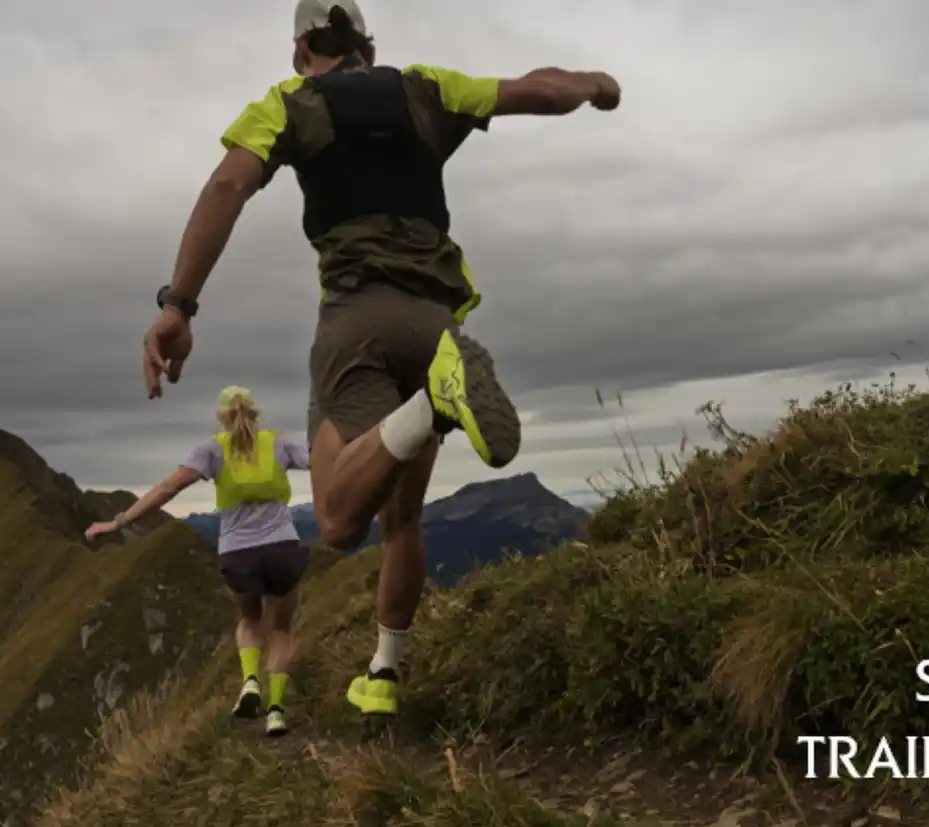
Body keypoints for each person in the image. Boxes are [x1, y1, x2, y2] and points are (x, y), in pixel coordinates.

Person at [138, 0, 621, 718]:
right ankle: (384, 675)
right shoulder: (425, 88)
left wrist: (178, 304)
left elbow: (228, 185)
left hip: (358, 322)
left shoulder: (288, 103)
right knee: (403, 519)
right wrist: (593, 85)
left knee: (338, 519)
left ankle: (433, 404)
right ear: (368, 44)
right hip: (437, 326)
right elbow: (535, 90)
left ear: (301, 50)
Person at [85, 387, 311, 737]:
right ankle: (277, 712)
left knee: (249, 620)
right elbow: (325, 461)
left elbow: (167, 488)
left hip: (238, 554)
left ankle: (251, 681)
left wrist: (118, 522)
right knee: (281, 628)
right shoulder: (279, 443)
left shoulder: (211, 450)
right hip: (282, 547)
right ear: (255, 413)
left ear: (221, 417)